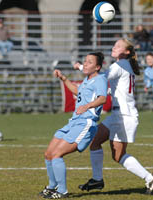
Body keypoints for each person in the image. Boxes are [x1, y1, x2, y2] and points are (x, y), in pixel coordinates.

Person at [75, 38, 153, 195]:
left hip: (124, 116)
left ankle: (149, 178)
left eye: (118, 46)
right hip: (118, 114)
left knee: (118, 155)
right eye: (114, 45)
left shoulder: (119, 65)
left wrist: (81, 66)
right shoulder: (124, 65)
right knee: (95, 141)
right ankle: (97, 179)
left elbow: (101, 77)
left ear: (126, 52)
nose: (114, 47)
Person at [39, 52, 108, 199]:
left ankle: (62, 191)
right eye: (85, 61)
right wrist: (63, 78)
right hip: (74, 121)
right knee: (49, 154)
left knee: (57, 155)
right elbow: (78, 91)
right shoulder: (87, 80)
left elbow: (103, 98)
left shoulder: (100, 79)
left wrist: (87, 106)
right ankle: (52, 187)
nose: (85, 63)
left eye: (89, 62)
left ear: (97, 67)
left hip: (86, 123)